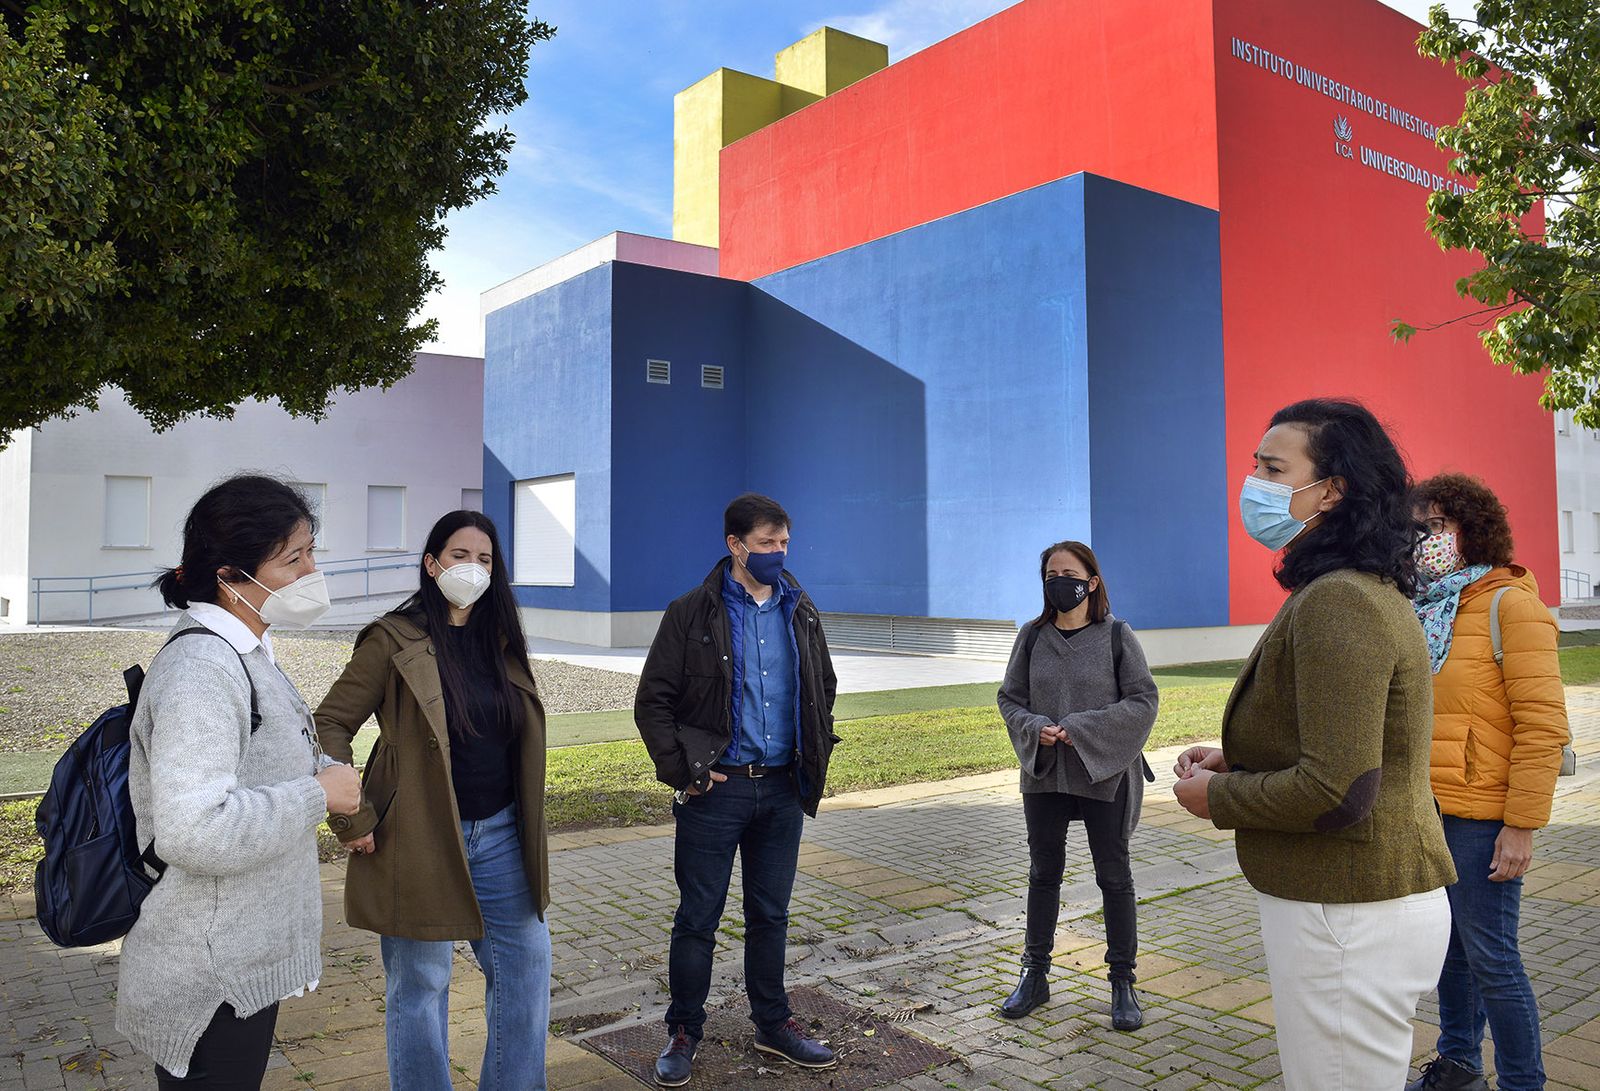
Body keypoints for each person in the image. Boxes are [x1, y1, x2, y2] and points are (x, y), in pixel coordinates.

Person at [1172, 398, 1457, 1091]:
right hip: (1353, 910)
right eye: (1255, 467)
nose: (1256, 484)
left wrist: (1219, 796)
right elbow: (1346, 744)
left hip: (1349, 916)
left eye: (1275, 468)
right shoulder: (1350, 589)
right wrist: (1239, 759)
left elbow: (1339, 789)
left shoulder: (1341, 600)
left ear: (1333, 489)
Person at [117, 475, 363, 1088]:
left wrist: (316, 772)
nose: (311, 573)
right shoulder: (201, 671)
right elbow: (193, 830)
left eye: (311, 552)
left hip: (237, 961)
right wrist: (317, 794)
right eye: (293, 558)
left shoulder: (248, 654)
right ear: (230, 578)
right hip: (208, 977)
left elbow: (255, 767)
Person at [315, 511, 551, 1091]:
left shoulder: (502, 640)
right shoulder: (393, 638)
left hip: (499, 833)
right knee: (421, 984)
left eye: (485, 559)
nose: (472, 567)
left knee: (525, 966)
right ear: (432, 563)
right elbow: (327, 724)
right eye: (460, 555)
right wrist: (352, 816)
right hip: (416, 836)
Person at [634, 493, 840, 1087]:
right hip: (715, 794)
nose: (779, 553)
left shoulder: (799, 608)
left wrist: (814, 745)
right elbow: (654, 703)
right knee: (699, 917)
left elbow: (822, 684)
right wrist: (687, 770)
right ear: (735, 545)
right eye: (768, 543)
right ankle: (683, 1032)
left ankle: (773, 1025)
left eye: (784, 543)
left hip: (781, 791)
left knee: (770, 916)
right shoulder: (690, 613)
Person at [1405, 474, 1567, 1091]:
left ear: (1472, 529)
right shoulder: (1422, 607)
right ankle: (1459, 1065)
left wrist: (1521, 826)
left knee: (1493, 957)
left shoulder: (1510, 604)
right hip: (1427, 808)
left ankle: (1523, 1081)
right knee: (1449, 950)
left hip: (1483, 816)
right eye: (1415, 527)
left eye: (1436, 525)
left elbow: (1543, 727)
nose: (1423, 540)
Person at [996, 540, 1158, 1029]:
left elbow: (1144, 701)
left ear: (1091, 581)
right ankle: (1035, 974)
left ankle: (1122, 981)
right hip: (1045, 772)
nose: (1058, 582)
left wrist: (1081, 728)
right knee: (1043, 872)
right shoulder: (1030, 636)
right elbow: (1009, 699)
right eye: (1050, 574)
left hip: (1104, 773)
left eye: (1069, 573)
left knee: (1114, 875)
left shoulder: (1117, 636)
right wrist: (1032, 728)